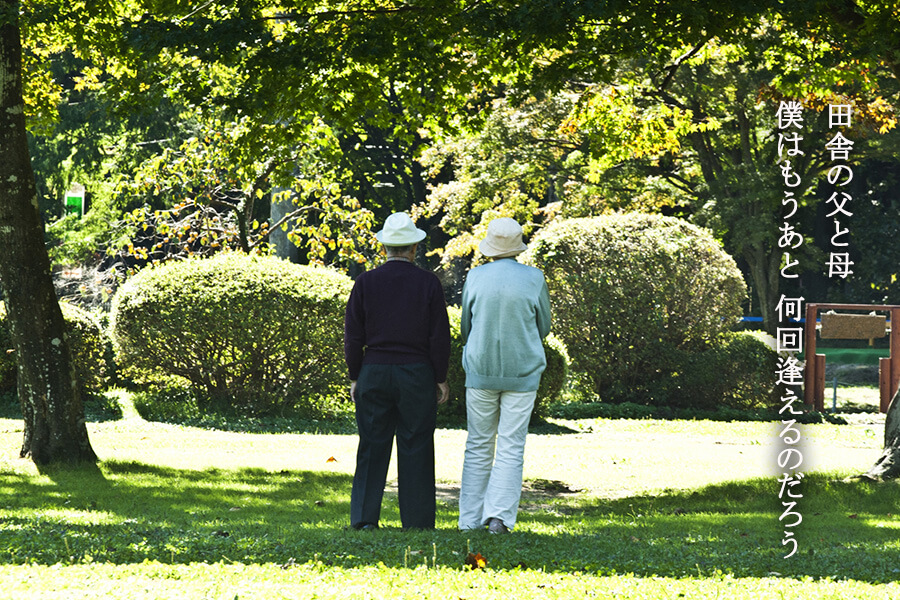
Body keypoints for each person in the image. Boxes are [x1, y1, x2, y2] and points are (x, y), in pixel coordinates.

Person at [344, 212, 451, 530]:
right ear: (414, 249)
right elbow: (439, 336)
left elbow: (353, 335)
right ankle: (417, 522)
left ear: (384, 248)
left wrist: (354, 375)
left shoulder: (365, 282)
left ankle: (364, 518)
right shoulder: (428, 283)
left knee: (372, 444)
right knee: (416, 443)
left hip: (374, 370)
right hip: (416, 373)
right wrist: (440, 377)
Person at [457, 217, 551, 534]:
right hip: (522, 371)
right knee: (511, 445)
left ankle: (469, 520)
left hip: (481, 369)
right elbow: (544, 327)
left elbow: (464, 328)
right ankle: (498, 518)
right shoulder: (534, 278)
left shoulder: (475, 277)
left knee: (478, 445)